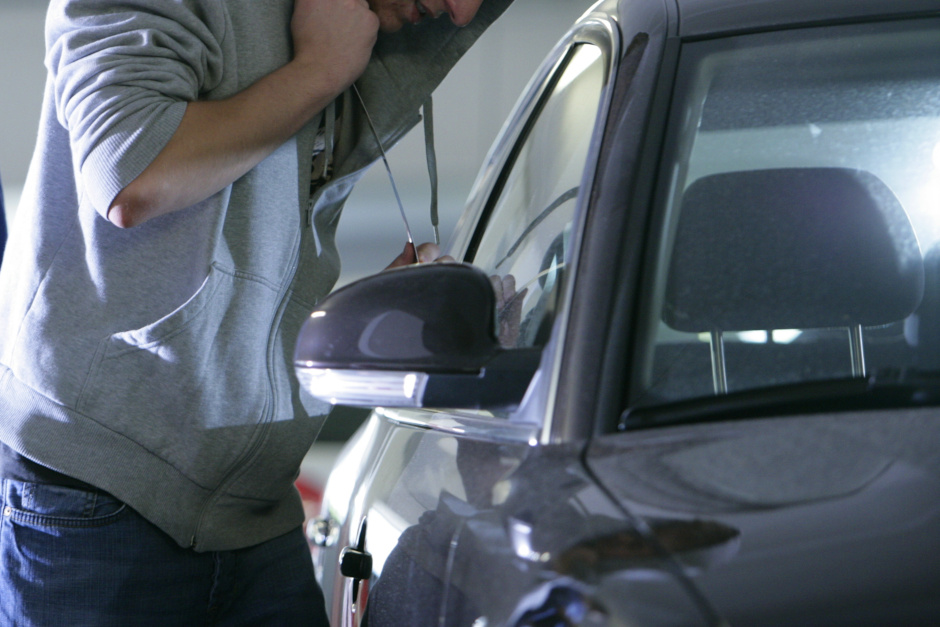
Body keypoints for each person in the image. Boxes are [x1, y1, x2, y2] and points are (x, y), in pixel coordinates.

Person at [0, 0, 512, 623]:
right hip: (105, 496)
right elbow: (129, 173)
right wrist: (319, 70)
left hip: (256, 509)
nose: (458, 14)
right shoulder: (321, 41)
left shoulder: (367, 23)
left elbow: (251, 253)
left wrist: (366, 305)